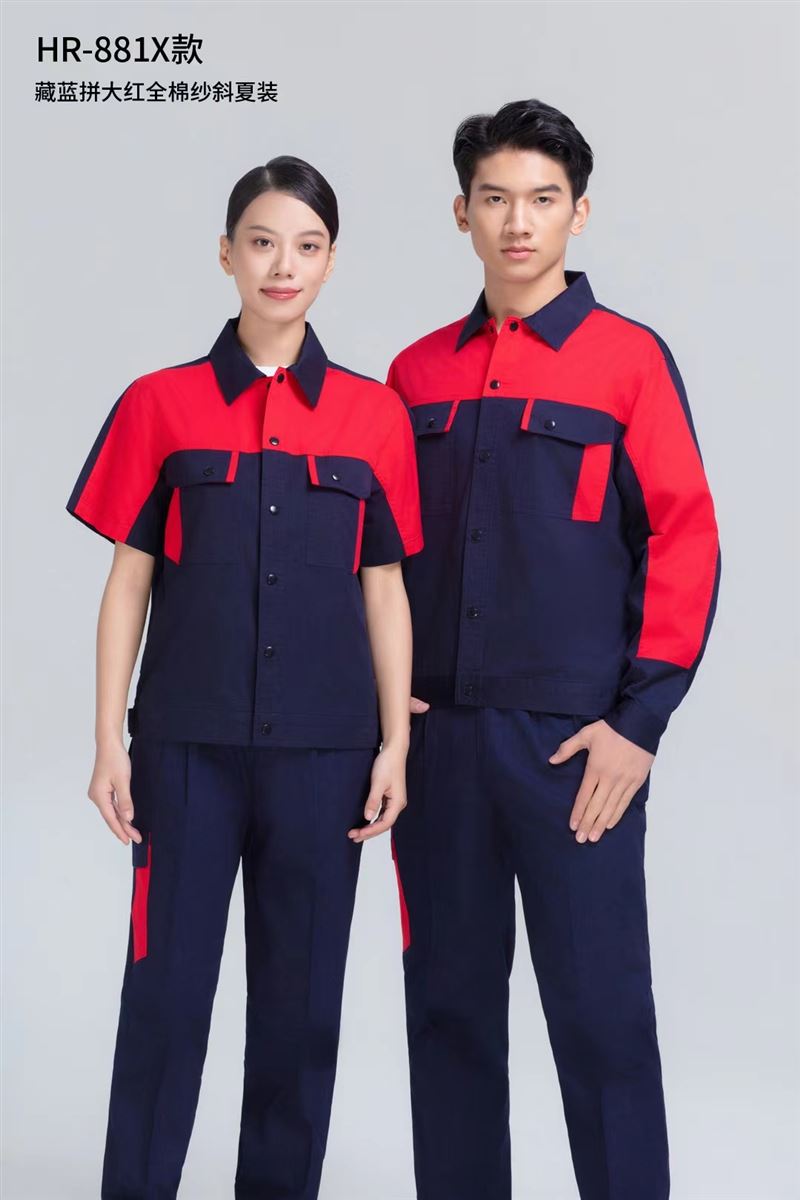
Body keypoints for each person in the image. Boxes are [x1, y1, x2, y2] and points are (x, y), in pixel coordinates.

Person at [379, 99, 721, 1199]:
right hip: (438, 749)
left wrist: (638, 724)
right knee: (446, 1017)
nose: (517, 223)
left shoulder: (628, 362)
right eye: (494, 199)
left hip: (573, 751)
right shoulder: (413, 375)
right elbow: (369, 559)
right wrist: (384, 711)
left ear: (579, 213)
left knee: (601, 1017)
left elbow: (684, 537)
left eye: (541, 199)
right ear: (461, 214)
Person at [66, 154, 423, 1200]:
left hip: (324, 760)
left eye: (306, 246)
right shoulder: (159, 404)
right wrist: (108, 741)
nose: (282, 265)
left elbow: (385, 589)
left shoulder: (374, 417)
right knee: (165, 1003)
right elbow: (128, 584)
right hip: (185, 755)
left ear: (331, 262)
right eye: (262, 242)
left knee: (300, 1016)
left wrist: (395, 744)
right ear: (226, 254)